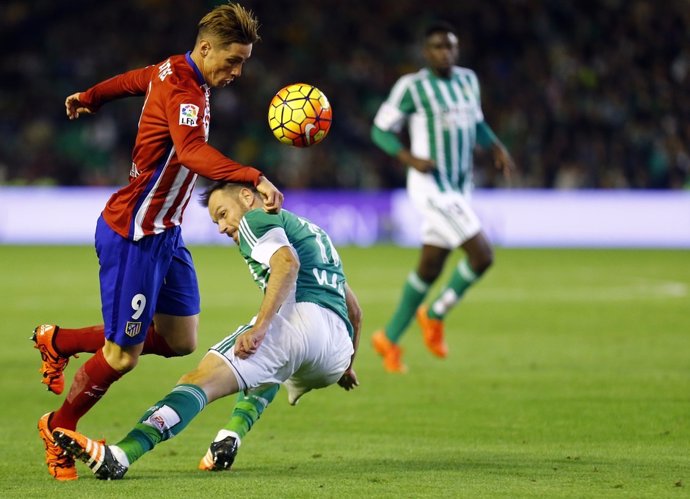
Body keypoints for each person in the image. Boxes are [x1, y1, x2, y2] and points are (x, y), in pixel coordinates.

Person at [34, 2, 284, 481]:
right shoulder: (185, 89)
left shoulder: (174, 70)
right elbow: (190, 152)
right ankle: (59, 427)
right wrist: (252, 175)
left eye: (243, 63)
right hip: (136, 232)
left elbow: (132, 80)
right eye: (232, 61)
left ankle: (58, 341)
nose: (237, 71)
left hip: (166, 232)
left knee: (180, 339)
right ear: (205, 48)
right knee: (121, 356)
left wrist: (91, 95)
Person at [51, 181, 361, 480]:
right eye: (216, 222)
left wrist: (260, 327)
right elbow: (355, 310)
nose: (223, 228)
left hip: (302, 323)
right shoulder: (313, 233)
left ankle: (120, 455)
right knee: (270, 366)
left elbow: (287, 264)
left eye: (223, 214)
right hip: (336, 353)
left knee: (199, 381)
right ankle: (231, 435)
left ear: (246, 196)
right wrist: (347, 366)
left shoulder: (256, 218)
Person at [370, 21, 514, 373]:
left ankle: (388, 339)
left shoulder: (468, 81)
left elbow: (476, 123)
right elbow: (380, 129)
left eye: (450, 46)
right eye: (437, 47)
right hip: (430, 188)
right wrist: (409, 158)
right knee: (482, 255)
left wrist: (494, 145)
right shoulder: (412, 87)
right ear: (425, 52)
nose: (444, 53)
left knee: (430, 267)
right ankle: (435, 314)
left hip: (459, 186)